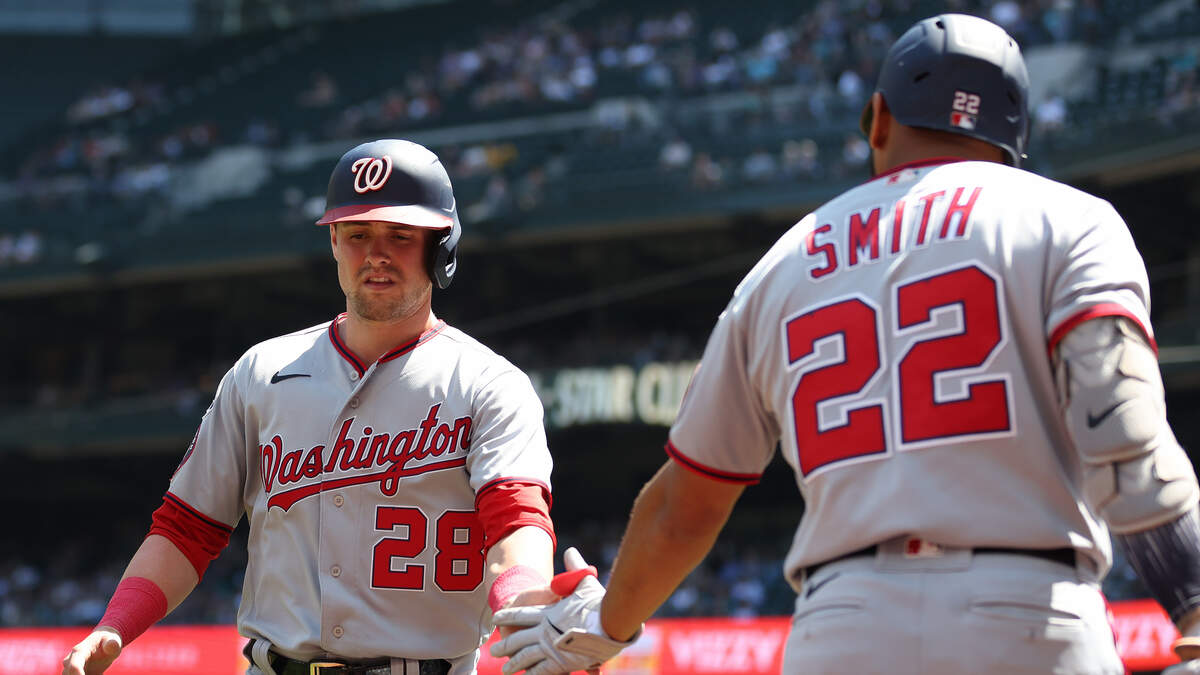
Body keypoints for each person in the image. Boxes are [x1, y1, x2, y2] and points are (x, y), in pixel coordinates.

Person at [489, 14, 1200, 675]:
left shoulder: (783, 261)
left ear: (880, 119)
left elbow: (687, 504)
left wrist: (604, 625)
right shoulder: (1069, 219)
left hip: (844, 621)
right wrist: (1193, 597)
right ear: (1014, 133)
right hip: (1032, 607)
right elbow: (1122, 434)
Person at [62, 139, 558, 675]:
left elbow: (517, 525)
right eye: (357, 234)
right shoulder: (261, 373)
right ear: (334, 244)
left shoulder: (488, 383)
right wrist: (115, 624)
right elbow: (187, 528)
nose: (376, 254)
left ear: (442, 247)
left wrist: (525, 606)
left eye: (400, 234)